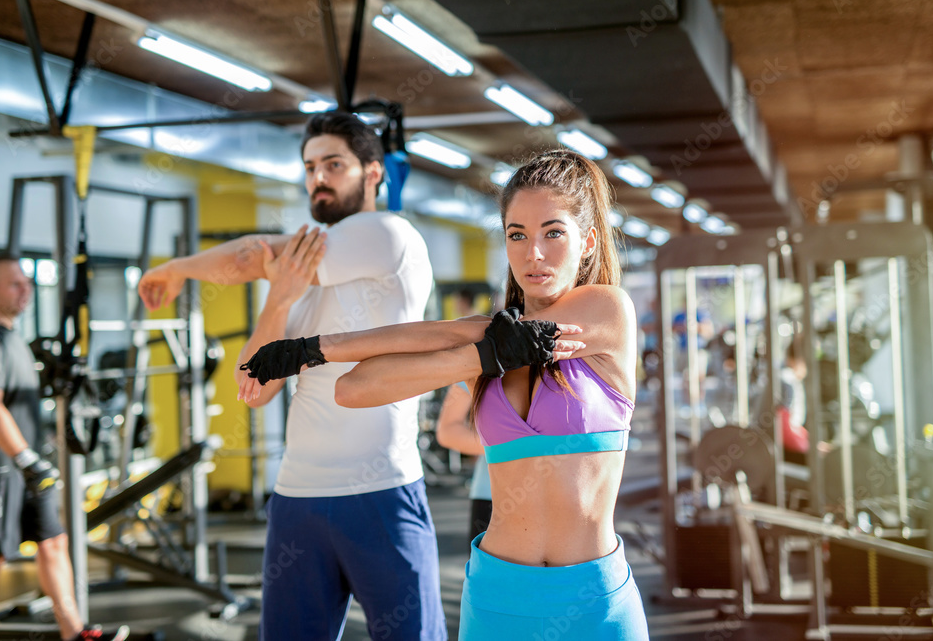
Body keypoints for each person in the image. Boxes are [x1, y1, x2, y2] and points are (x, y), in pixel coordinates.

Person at [238, 149, 651, 639]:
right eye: (517, 235)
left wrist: (476, 345)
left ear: (589, 243)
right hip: (498, 596)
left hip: (593, 601)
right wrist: (313, 349)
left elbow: (454, 332)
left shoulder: (609, 311)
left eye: (553, 232)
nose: (533, 253)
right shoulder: (491, 346)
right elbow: (354, 389)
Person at [137, 111, 444, 640]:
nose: (318, 178)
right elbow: (255, 389)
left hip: (381, 489)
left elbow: (252, 255)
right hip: (299, 496)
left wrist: (175, 269)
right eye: (309, 167)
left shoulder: (387, 233)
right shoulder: (298, 281)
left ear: (373, 173)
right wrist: (278, 299)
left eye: (333, 164)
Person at [0, 256, 129, 641]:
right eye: (15, 283)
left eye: (27, 283)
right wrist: (24, 458)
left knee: (54, 542)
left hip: (28, 465)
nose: (26, 290)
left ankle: (74, 632)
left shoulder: (16, 338)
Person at [434, 381, 491, 548]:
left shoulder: (571, 362)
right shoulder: (487, 358)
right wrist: (510, 448)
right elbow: (448, 431)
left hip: (564, 496)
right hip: (494, 498)